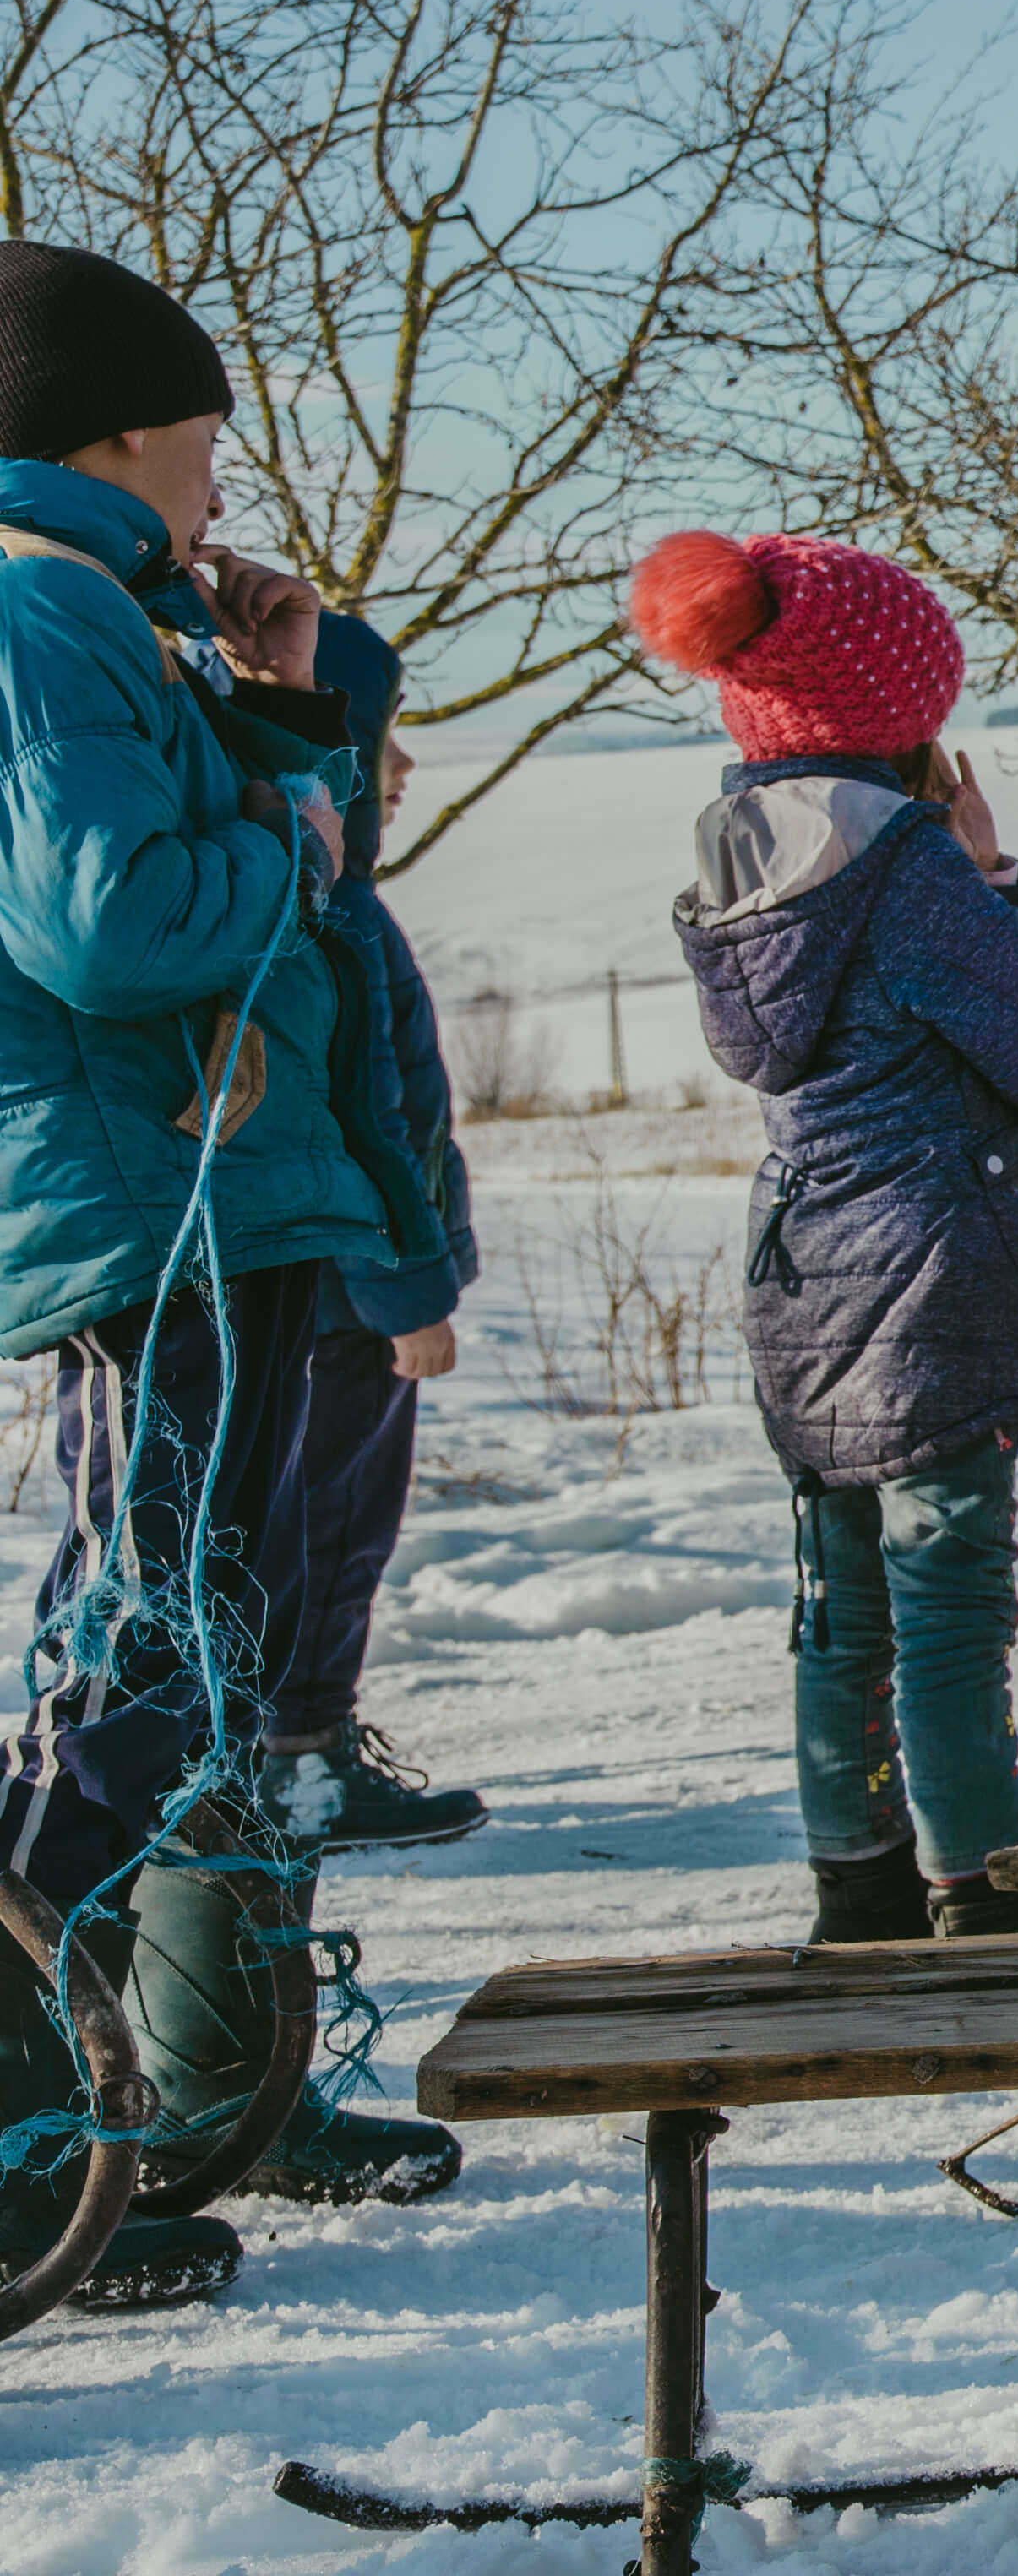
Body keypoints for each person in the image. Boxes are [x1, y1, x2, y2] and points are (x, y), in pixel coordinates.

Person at [0, 242, 464, 2316]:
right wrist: (285, 814)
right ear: (114, 428)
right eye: (203, 433)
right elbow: (107, 922)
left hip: (226, 1205)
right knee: (117, 1681)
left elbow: (272, 843)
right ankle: (27, 2152)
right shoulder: (31, 607)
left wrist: (281, 705)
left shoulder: (119, 609)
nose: (221, 475)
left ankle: (181, 2105)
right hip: (131, 1223)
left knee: (219, 1671)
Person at [630, 530, 1018, 1944]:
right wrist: (991, 878)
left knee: (839, 1593)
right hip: (930, 1271)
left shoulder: (741, 860)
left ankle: (860, 1876)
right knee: (952, 1593)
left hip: (803, 1269)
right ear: (895, 707)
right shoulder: (901, 861)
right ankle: (986, 1885)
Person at [258, 621, 486, 1851]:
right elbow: (360, 1112)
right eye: (389, 741)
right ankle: (305, 1763)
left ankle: (293, 1751)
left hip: (329, 1286)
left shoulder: (316, 895)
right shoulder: (333, 912)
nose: (404, 773)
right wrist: (410, 1291)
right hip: (352, 1301)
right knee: (335, 1520)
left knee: (304, 1519)